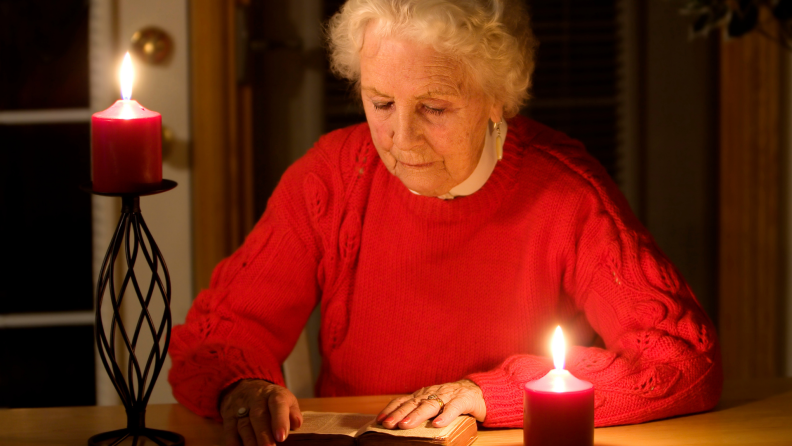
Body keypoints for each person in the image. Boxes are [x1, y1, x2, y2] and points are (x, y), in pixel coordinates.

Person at [168, 1, 722, 445]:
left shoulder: (567, 192)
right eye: (381, 102)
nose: (401, 141)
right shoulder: (333, 176)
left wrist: (490, 395)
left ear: (497, 99)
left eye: (434, 108)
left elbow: (681, 360)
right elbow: (218, 338)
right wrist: (243, 385)